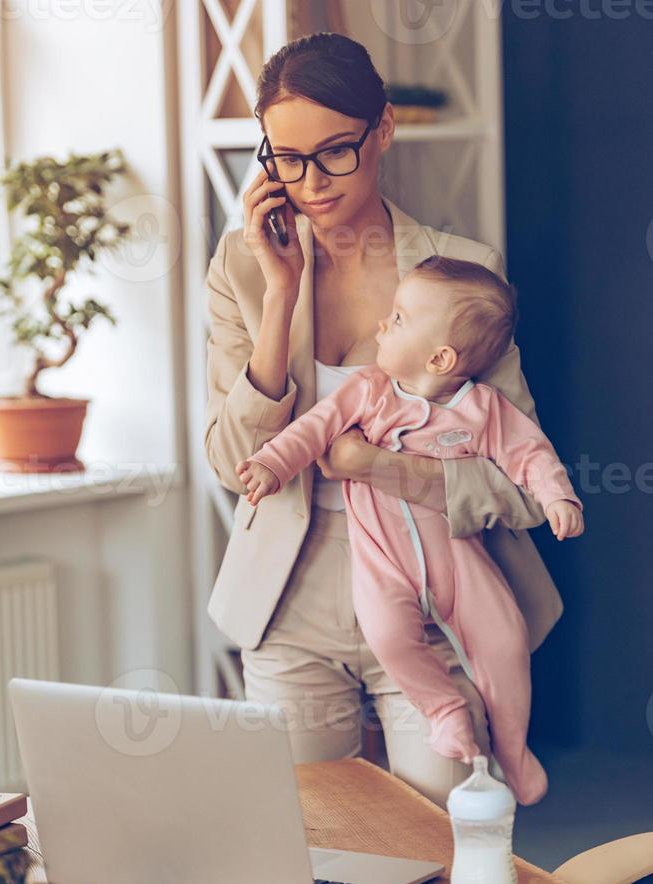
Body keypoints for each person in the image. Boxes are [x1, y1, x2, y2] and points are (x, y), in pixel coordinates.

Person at [204, 32, 566, 809]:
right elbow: (229, 457)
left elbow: (522, 488)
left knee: (444, 836)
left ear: (384, 129)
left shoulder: (460, 270)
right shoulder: (241, 266)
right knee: (309, 847)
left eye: (335, 151)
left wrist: (383, 468)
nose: (310, 182)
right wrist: (278, 296)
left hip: (435, 595)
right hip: (288, 600)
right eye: (286, 159)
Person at [236, 255, 584, 806]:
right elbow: (312, 430)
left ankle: (513, 749)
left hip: (460, 559)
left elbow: (529, 455)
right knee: (390, 635)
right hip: (381, 563)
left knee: (505, 640)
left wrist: (557, 494)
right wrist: (273, 463)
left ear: (441, 356)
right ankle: (442, 708)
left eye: (397, 320)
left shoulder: (481, 408)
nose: (382, 325)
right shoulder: (369, 392)